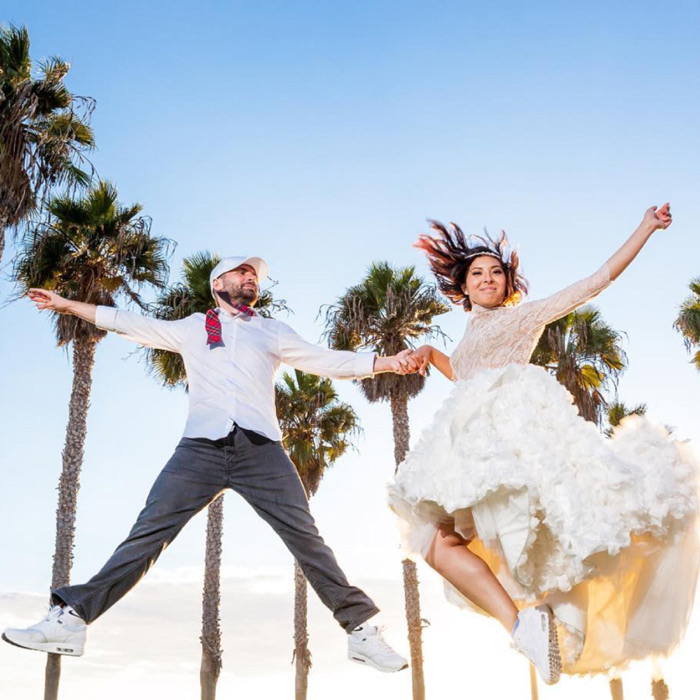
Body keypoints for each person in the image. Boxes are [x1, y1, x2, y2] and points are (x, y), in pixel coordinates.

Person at [4, 255, 415, 673]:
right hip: (199, 449)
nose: (250, 277)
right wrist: (68, 305)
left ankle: (361, 630)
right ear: (218, 283)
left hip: (261, 451)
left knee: (306, 538)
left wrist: (384, 362)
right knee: (147, 535)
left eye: (254, 275)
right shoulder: (192, 328)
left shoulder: (270, 331)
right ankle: (71, 621)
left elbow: (321, 359)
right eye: (242, 271)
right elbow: (129, 322)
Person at [389, 204, 700, 684]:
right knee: (436, 544)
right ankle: (522, 627)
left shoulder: (523, 318)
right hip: (471, 450)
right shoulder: (471, 330)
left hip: (516, 444)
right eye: (478, 273)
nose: (489, 278)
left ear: (507, 285)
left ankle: (540, 618)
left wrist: (645, 227)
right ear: (464, 286)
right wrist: (430, 353)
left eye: (497, 272)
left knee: (516, 542)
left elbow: (596, 280)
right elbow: (468, 376)